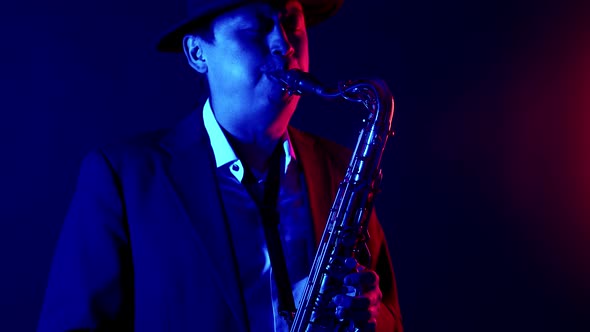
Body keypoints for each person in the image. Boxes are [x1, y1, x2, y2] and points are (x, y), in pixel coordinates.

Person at [37, 0, 403, 331]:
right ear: (197, 53)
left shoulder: (343, 168)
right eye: (257, 28)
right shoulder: (124, 178)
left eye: (291, 23)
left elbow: (392, 321)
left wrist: (371, 315)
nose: (284, 46)